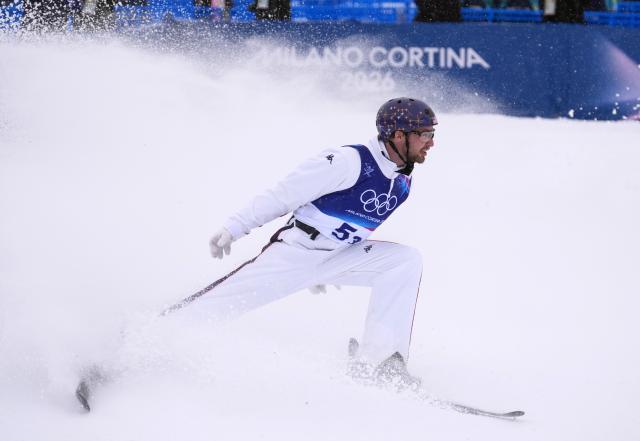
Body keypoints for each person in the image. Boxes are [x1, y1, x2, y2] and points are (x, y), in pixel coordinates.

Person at [166, 97, 438, 387]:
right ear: (398, 135)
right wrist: (236, 226)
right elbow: (285, 194)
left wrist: (332, 263)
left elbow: (354, 221)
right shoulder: (347, 161)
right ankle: (146, 340)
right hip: (296, 253)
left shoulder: (402, 180)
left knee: (403, 262)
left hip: (338, 256)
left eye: (432, 134)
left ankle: (379, 364)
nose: (431, 142)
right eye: (425, 134)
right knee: (216, 305)